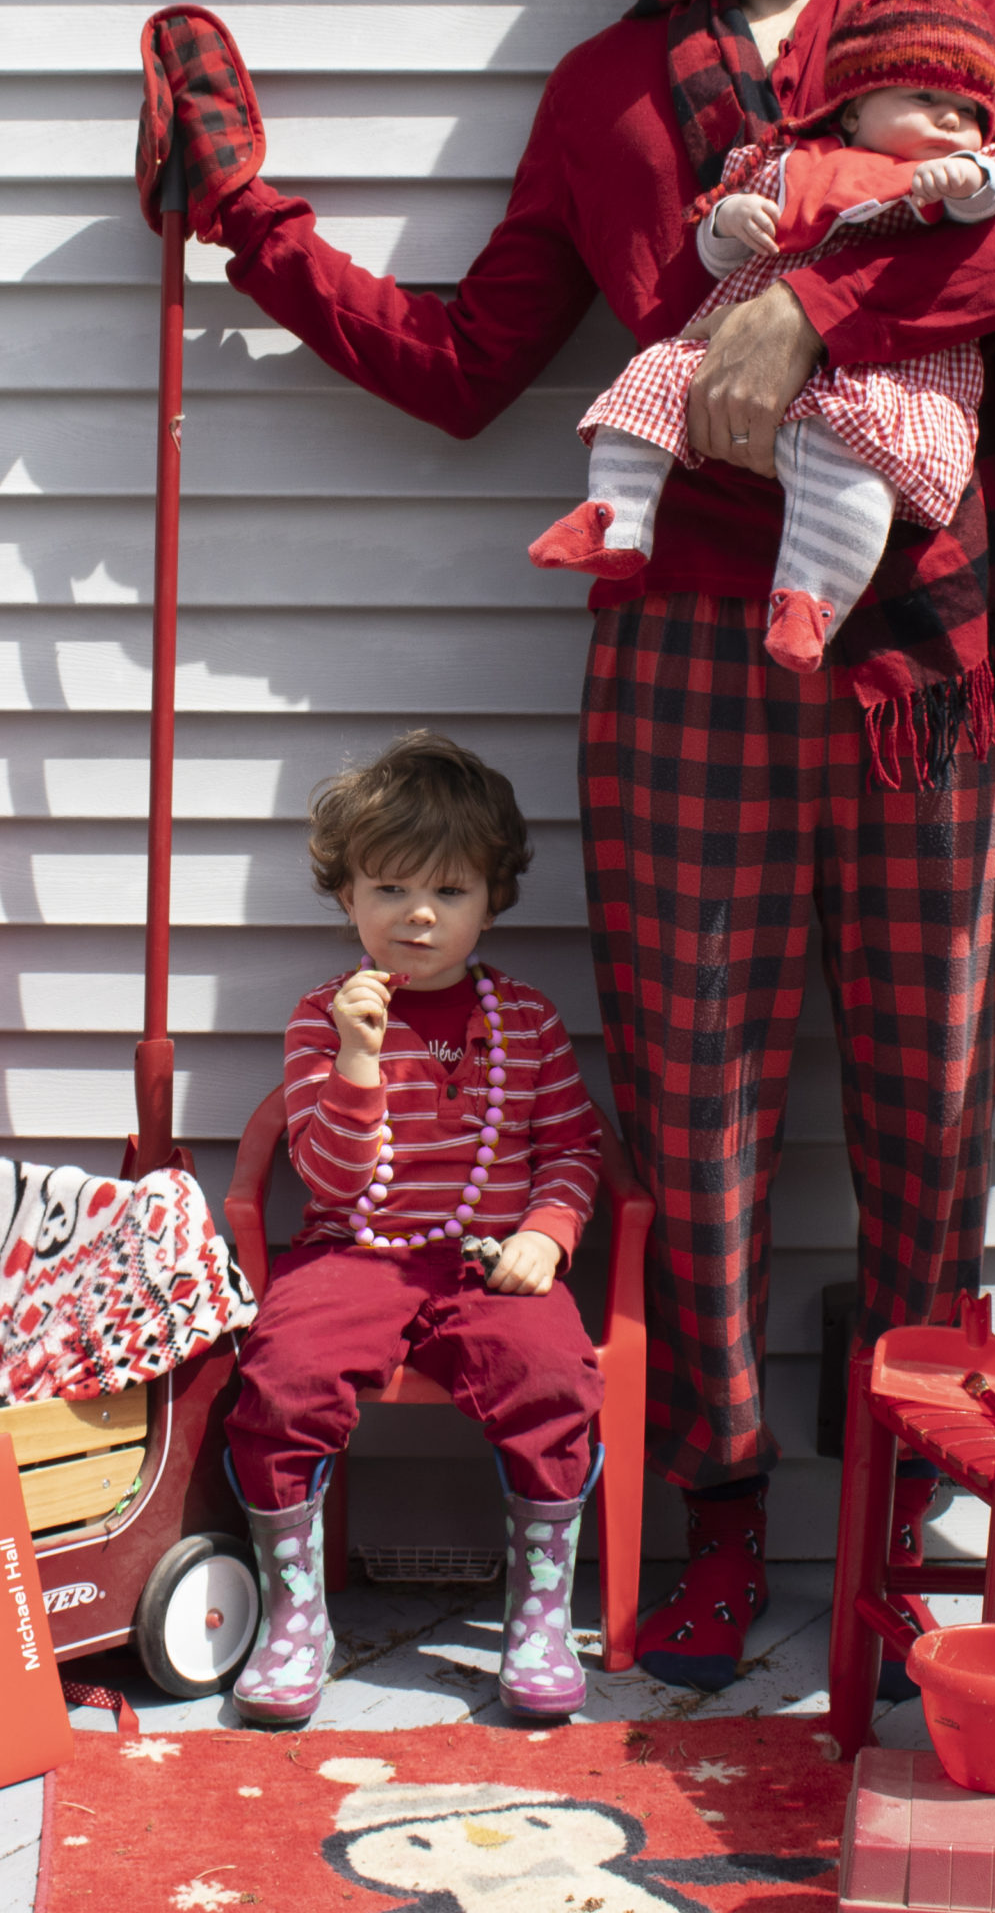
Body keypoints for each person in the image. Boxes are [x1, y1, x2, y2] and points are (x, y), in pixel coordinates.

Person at [149, 0, 995, 1690]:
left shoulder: (962, 9)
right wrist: (252, 225)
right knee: (693, 1110)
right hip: (685, 645)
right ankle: (716, 1510)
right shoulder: (605, 89)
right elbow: (465, 362)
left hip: (928, 650)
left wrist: (811, 309)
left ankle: (897, 1520)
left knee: (929, 1103)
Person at [224, 733, 606, 1727]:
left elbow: (572, 1147)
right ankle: (295, 1616)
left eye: (449, 889)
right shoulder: (322, 1017)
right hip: (352, 1254)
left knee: (554, 1375)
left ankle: (539, 1615)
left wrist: (546, 1234)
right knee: (280, 1377)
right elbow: (331, 1174)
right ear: (347, 897)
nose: (419, 913)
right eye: (389, 888)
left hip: (491, 1264)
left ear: (492, 900)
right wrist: (357, 1059)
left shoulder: (527, 1020)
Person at [530, 0, 995, 673]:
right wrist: (730, 220)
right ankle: (613, 517)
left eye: (967, 111)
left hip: (882, 376)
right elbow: (713, 247)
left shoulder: (963, 172)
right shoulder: (794, 163)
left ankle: (809, 601)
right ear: (853, 111)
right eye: (924, 99)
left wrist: (967, 182)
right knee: (651, 376)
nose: (950, 122)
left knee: (853, 469)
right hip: (737, 350)